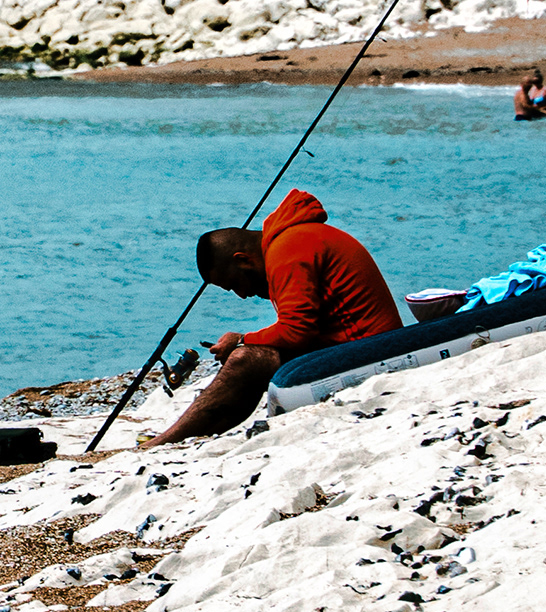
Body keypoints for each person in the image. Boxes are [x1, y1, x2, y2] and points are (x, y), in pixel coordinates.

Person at [138, 189, 402, 446]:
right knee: (248, 358)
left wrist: (241, 340)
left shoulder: (287, 250)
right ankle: (185, 437)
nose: (242, 294)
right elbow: (302, 327)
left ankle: (163, 442)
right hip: (353, 344)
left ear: (242, 260)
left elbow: (296, 332)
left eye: (233, 284)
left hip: (368, 351)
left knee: (245, 359)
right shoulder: (291, 241)